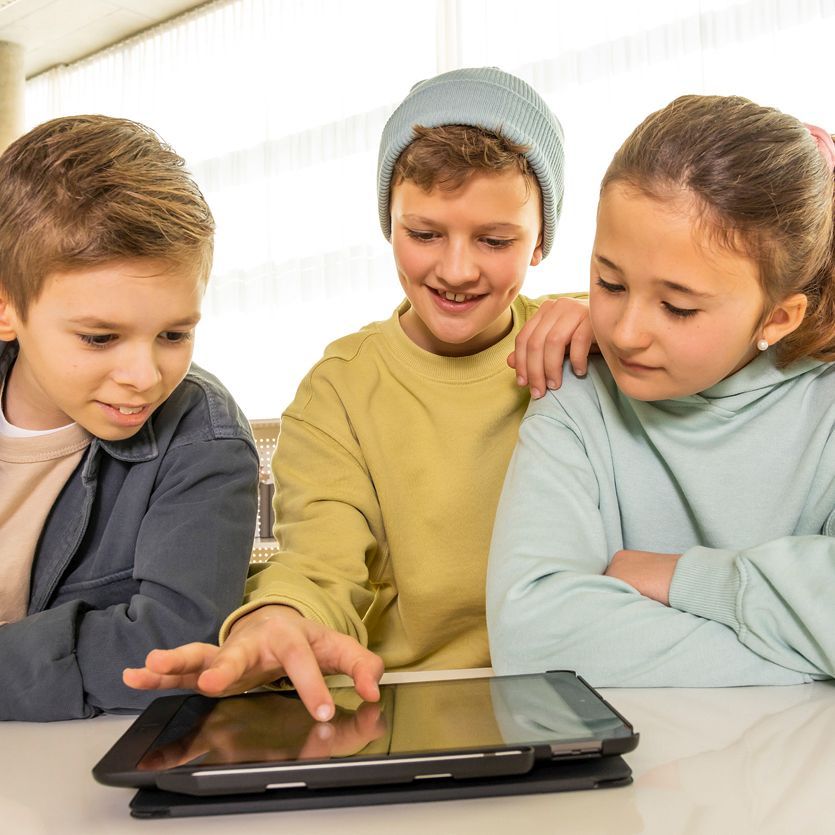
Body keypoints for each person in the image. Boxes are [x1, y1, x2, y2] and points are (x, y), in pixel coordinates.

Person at [124, 67, 592, 718]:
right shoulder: (338, 390)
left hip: (568, 689)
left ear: (541, 238)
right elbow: (320, 565)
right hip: (395, 700)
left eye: (494, 239)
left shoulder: (587, 336)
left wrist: (618, 321)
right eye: (423, 233)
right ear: (387, 223)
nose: (455, 269)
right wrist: (278, 617)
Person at [487, 94, 835, 686]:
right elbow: (533, 635)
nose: (624, 334)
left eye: (677, 307)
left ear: (778, 318)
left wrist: (682, 578)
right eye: (609, 282)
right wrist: (811, 655)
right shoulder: (577, 393)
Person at [0, 115, 259, 721]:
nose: (144, 376)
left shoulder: (204, 439)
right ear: (7, 308)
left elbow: (170, 652)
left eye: (174, 333)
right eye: (99, 337)